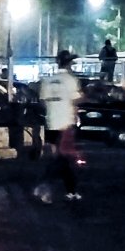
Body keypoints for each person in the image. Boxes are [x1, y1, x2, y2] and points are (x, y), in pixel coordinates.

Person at [35, 51, 83, 202]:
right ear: (68, 64)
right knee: (63, 159)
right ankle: (45, 186)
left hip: (51, 123)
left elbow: (42, 101)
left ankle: (71, 191)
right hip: (65, 124)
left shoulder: (47, 80)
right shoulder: (70, 80)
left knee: (62, 158)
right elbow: (76, 100)